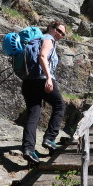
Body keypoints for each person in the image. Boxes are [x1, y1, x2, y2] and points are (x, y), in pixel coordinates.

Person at [21, 20, 66, 165]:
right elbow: (42, 56)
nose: (60, 35)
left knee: (33, 115)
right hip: (42, 80)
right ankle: (50, 138)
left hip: (29, 82)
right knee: (59, 105)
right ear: (51, 28)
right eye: (59, 31)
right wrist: (48, 78)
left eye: (63, 34)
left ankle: (28, 149)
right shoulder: (48, 38)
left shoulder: (37, 40)